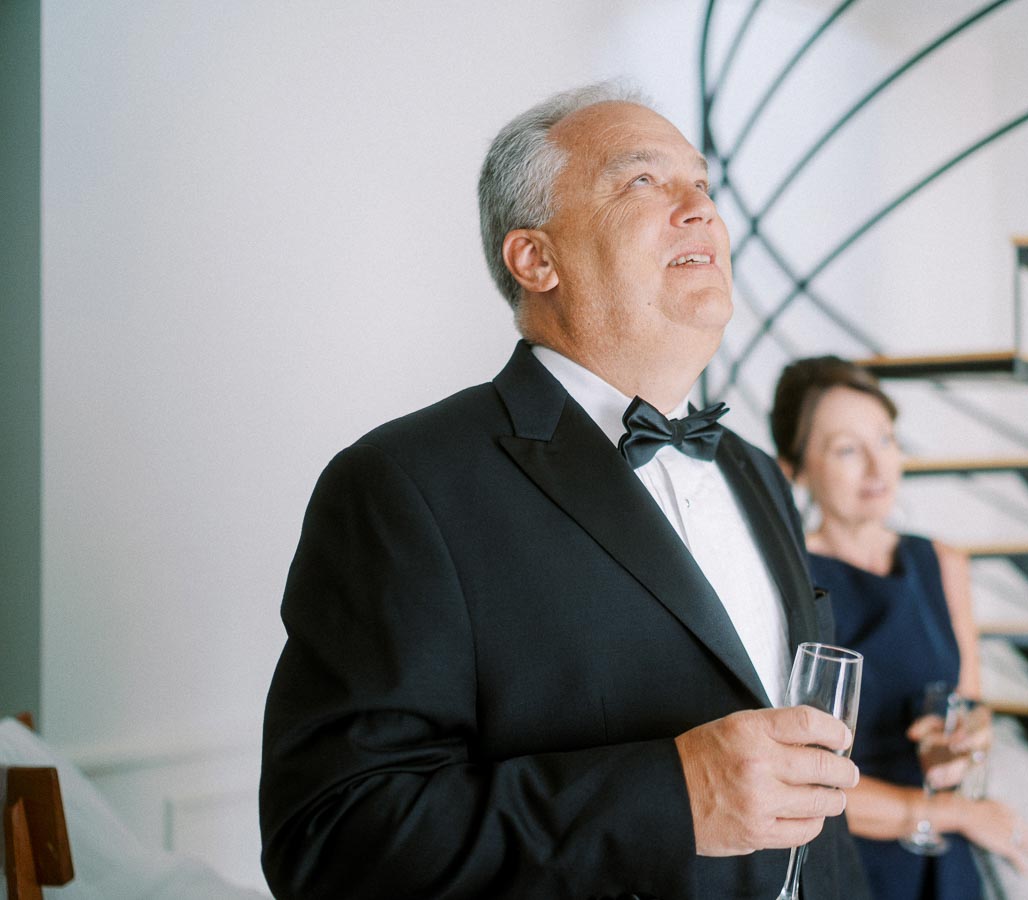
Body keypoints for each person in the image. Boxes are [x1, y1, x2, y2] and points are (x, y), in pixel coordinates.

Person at [259, 83, 869, 900]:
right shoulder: (402, 487)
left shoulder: (756, 472)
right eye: (644, 182)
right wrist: (674, 796)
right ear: (535, 259)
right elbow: (334, 837)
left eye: (705, 184)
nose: (702, 210)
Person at [771, 355, 1028, 900]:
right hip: (852, 860)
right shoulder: (788, 580)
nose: (879, 470)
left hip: (948, 855)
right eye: (847, 449)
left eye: (886, 439)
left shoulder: (943, 562)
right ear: (795, 468)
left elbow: (970, 709)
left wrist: (966, 744)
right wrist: (946, 813)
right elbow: (799, 779)